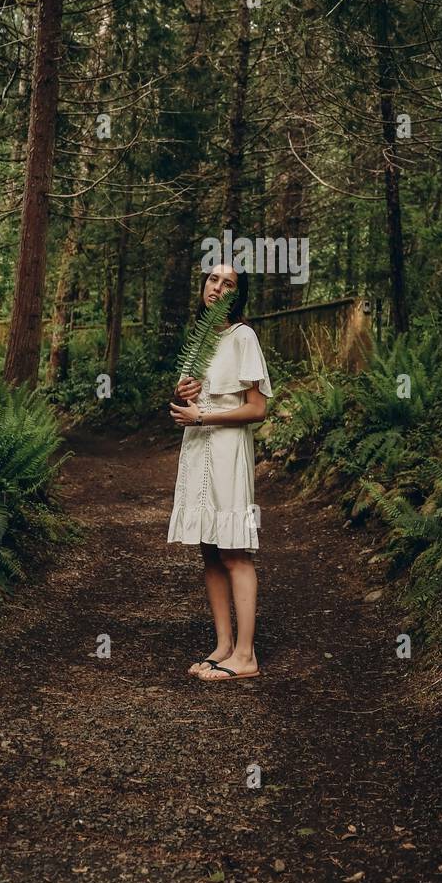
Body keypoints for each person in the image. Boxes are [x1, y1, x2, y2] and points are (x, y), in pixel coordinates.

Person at [167, 263, 272, 682]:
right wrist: (182, 396)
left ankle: (246, 656)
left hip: (228, 450)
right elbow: (189, 402)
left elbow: (257, 408)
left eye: (228, 284)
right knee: (208, 548)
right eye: (213, 279)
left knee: (233, 550)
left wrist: (203, 415)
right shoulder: (199, 341)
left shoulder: (243, 337)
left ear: (236, 296)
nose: (217, 287)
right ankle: (223, 645)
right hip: (197, 451)